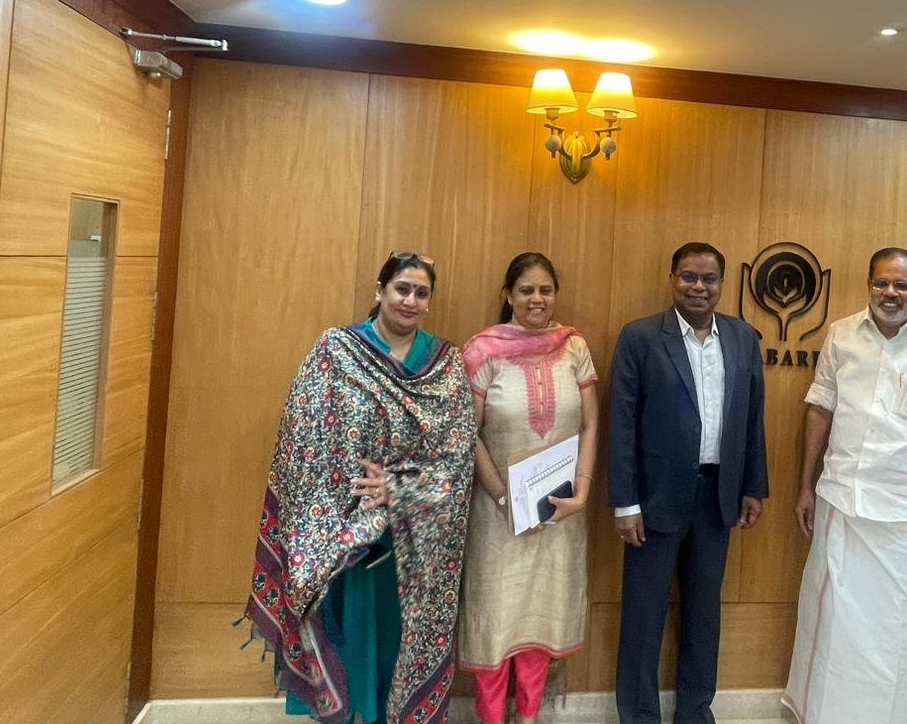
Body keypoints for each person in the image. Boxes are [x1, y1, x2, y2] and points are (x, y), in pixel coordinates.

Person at [244, 252, 476, 724]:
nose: (410, 300)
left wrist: (398, 489)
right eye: (402, 289)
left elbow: (457, 456)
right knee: (355, 641)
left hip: (414, 536)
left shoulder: (446, 363)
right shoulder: (336, 351)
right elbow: (303, 436)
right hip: (346, 531)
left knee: (398, 642)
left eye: (421, 293)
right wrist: (345, 498)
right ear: (380, 290)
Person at [783, 247, 907, 724]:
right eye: (881, 283)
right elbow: (820, 408)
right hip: (841, 503)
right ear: (869, 284)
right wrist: (806, 486)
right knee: (834, 625)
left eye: (901, 285)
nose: (890, 293)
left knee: (900, 633)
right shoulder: (841, 334)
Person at [608, 242, 768, 724]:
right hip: (653, 499)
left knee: (704, 614)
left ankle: (696, 712)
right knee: (643, 615)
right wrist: (625, 503)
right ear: (672, 279)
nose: (699, 287)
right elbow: (622, 424)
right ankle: (639, 716)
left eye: (709, 278)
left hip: (718, 496)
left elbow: (752, 417)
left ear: (722, 284)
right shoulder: (640, 337)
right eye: (689, 277)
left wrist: (753, 485)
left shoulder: (742, 338)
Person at [459, 252, 600, 724]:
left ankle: (529, 717)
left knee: (541, 616)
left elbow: (591, 423)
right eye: (526, 290)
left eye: (545, 290)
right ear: (508, 295)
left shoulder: (574, 346)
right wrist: (503, 497)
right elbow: (468, 434)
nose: (536, 299)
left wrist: (582, 493)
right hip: (496, 516)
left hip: (561, 512)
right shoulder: (482, 351)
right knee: (495, 620)